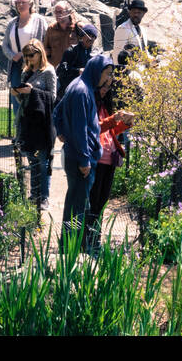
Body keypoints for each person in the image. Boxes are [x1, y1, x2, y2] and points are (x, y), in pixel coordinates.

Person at [54, 54, 112, 246]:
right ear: (97, 71)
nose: (109, 79)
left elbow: (57, 113)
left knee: (77, 204)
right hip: (80, 160)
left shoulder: (80, 85)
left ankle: (70, 244)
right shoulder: (82, 91)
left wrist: (61, 130)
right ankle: (71, 247)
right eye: (107, 74)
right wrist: (84, 160)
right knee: (77, 207)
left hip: (79, 155)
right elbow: (80, 130)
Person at [84, 79, 135, 253]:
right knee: (93, 201)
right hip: (97, 160)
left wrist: (126, 123)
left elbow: (111, 132)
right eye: (102, 86)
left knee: (102, 202)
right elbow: (94, 128)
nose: (105, 90)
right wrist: (114, 119)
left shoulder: (105, 106)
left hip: (109, 160)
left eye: (107, 87)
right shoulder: (90, 104)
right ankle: (87, 240)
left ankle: (95, 238)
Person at [13, 39, 58, 212]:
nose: (28, 59)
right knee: (32, 160)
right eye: (25, 56)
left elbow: (52, 98)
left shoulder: (49, 72)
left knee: (43, 161)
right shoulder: (26, 72)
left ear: (40, 53)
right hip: (28, 121)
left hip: (44, 123)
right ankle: (34, 194)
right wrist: (18, 92)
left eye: (31, 55)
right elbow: (23, 100)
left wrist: (33, 91)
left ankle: (44, 197)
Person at [3, 0, 48, 126]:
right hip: (16, 66)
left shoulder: (39, 20)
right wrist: (13, 55)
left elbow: (45, 42)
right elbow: (4, 44)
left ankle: (32, 132)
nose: (20, 5)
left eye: (23, 2)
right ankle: (19, 132)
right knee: (16, 98)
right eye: (18, 3)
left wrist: (29, 55)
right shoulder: (12, 23)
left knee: (33, 97)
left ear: (30, 4)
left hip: (34, 66)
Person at [57, 22, 98, 99]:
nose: (91, 38)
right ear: (82, 36)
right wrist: (77, 71)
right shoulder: (71, 51)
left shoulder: (96, 53)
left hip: (88, 91)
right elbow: (62, 70)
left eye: (93, 36)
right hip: (69, 91)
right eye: (89, 35)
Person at [43, 0, 80, 70]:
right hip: (54, 70)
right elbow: (46, 49)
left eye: (60, 12)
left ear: (69, 12)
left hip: (72, 70)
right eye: (55, 12)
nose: (57, 14)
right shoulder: (51, 28)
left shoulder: (77, 28)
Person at [112, 0, 149, 66]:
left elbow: (144, 51)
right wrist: (121, 73)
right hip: (128, 71)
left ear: (143, 14)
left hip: (141, 71)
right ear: (130, 12)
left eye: (139, 13)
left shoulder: (142, 30)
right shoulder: (123, 28)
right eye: (134, 12)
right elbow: (117, 54)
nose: (136, 15)